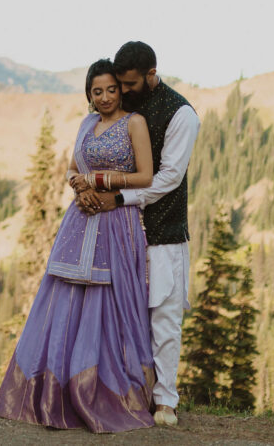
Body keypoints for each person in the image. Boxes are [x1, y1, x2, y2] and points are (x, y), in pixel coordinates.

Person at [0, 59, 158, 433]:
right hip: (81, 218)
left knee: (112, 299)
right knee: (65, 298)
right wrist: (80, 186)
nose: (104, 97)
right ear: (89, 95)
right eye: (97, 91)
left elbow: (146, 175)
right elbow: (71, 167)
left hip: (117, 221)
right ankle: (57, 389)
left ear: (121, 90)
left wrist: (98, 181)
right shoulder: (86, 124)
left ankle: (111, 392)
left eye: (111, 90)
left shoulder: (134, 123)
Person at [82, 41, 200, 427]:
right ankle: (126, 394)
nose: (122, 91)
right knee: (122, 315)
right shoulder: (123, 108)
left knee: (163, 317)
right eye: (119, 84)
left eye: (129, 84)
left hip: (163, 231)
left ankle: (165, 401)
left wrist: (119, 197)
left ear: (151, 74)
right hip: (119, 233)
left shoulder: (181, 114)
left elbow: (169, 177)